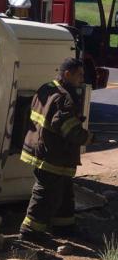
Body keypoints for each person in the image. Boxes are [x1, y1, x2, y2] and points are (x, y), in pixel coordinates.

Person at [19, 57, 92, 246]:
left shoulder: (47, 88)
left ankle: (64, 226)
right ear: (67, 74)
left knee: (65, 191)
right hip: (51, 155)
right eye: (79, 75)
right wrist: (89, 137)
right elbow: (69, 130)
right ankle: (30, 231)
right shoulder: (63, 98)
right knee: (46, 194)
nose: (82, 80)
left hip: (41, 148)